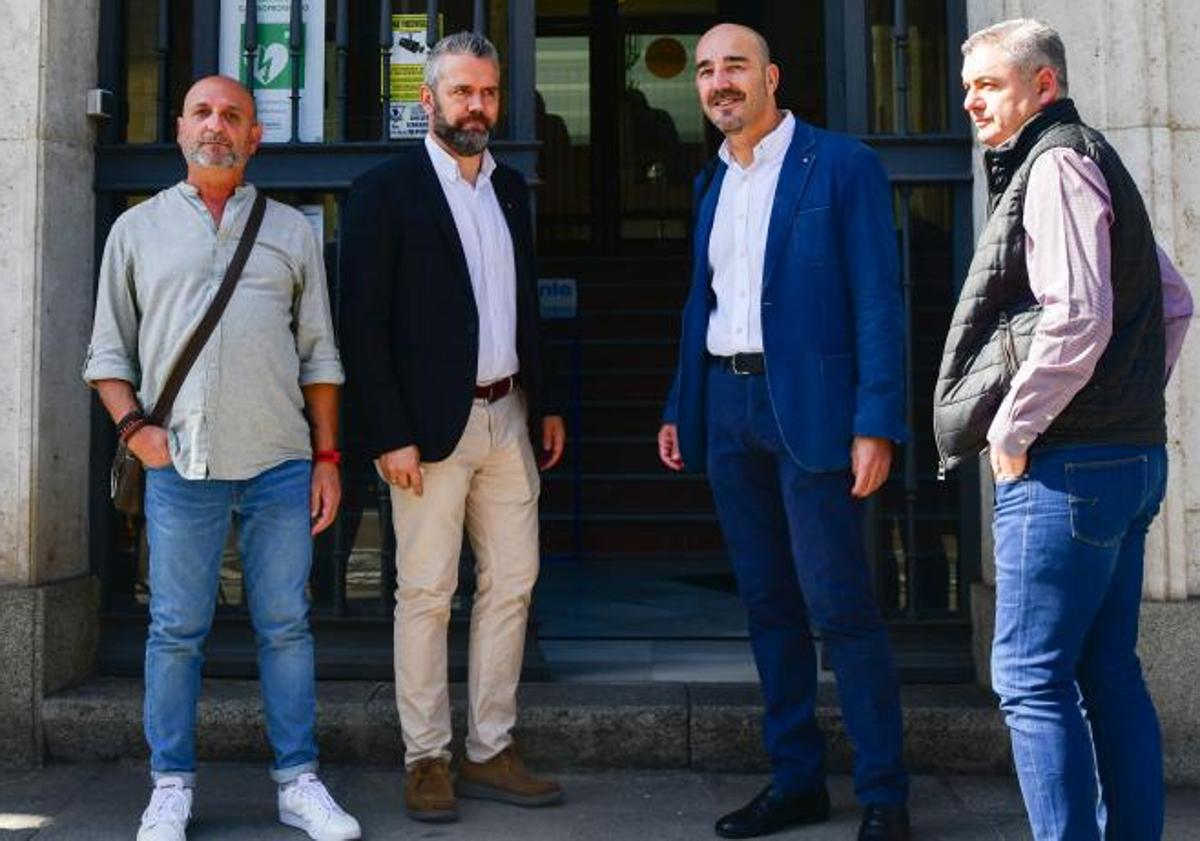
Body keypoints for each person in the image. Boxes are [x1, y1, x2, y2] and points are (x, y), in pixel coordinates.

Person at [83, 76, 361, 841]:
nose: (217, 126)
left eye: (233, 115)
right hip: (182, 469)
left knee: (286, 626)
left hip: (279, 461)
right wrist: (137, 431)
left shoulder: (291, 231)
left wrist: (327, 456)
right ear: (180, 130)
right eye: (203, 113)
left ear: (254, 137)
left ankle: (297, 780)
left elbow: (321, 356)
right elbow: (107, 353)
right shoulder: (136, 232)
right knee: (175, 631)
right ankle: (169, 784)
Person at [934, 19, 1193, 840]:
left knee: (1030, 677)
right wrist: (1122, 400)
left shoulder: (1052, 164)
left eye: (991, 84)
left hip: (1068, 468)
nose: (972, 99)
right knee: (1106, 669)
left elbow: (1076, 318)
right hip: (1126, 457)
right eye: (968, 84)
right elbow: (1175, 302)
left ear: (1044, 85)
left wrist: (1014, 428)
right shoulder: (1093, 156)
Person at [658, 23, 911, 841]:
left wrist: (876, 421)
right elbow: (708, 304)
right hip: (728, 410)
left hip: (815, 414)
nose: (719, 81)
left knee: (841, 605)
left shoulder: (842, 165)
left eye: (734, 66)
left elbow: (879, 301)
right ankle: (796, 779)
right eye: (705, 71)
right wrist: (679, 403)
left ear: (772, 75)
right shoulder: (711, 183)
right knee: (767, 605)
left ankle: (883, 792)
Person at [340, 31, 566, 824]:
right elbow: (361, 325)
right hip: (426, 430)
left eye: (488, 93)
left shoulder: (508, 190)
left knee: (512, 584)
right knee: (427, 592)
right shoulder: (384, 191)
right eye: (462, 92)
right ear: (426, 100)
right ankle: (427, 757)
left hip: (508, 414)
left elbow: (523, 305)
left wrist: (548, 399)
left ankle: (491, 746)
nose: (477, 107)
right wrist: (386, 431)